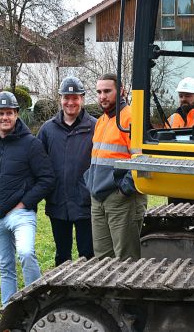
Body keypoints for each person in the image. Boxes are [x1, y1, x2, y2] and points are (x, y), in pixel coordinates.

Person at [0, 91, 55, 305]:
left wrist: (24, 203)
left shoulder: (31, 144)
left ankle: (37, 304)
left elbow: (46, 179)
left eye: (9, 113)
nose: (5, 118)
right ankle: (9, 311)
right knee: (5, 265)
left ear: (16, 114)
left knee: (26, 253)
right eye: (1, 113)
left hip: (21, 214)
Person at [84, 75, 147, 259]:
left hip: (121, 200)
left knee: (126, 261)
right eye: (99, 92)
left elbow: (142, 159)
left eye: (107, 91)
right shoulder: (102, 121)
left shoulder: (131, 118)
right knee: (103, 260)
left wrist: (124, 190)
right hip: (99, 198)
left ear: (121, 91)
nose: (102, 96)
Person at [37, 77, 96, 265]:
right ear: (60, 99)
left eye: (75, 97)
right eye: (66, 97)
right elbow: (37, 163)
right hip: (58, 203)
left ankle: (88, 292)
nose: (70, 102)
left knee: (88, 254)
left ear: (82, 98)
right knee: (62, 256)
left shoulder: (95, 127)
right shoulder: (47, 129)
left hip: (85, 203)